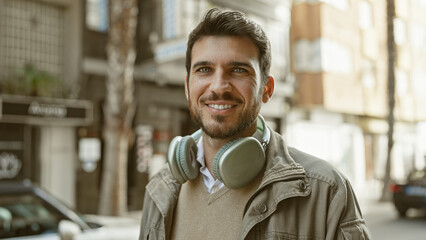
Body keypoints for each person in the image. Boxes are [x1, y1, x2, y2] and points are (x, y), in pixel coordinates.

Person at [139, 8, 371, 240]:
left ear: (266, 89)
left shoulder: (326, 191)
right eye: (204, 70)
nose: (219, 86)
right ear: (188, 88)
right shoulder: (159, 191)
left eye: (238, 70)